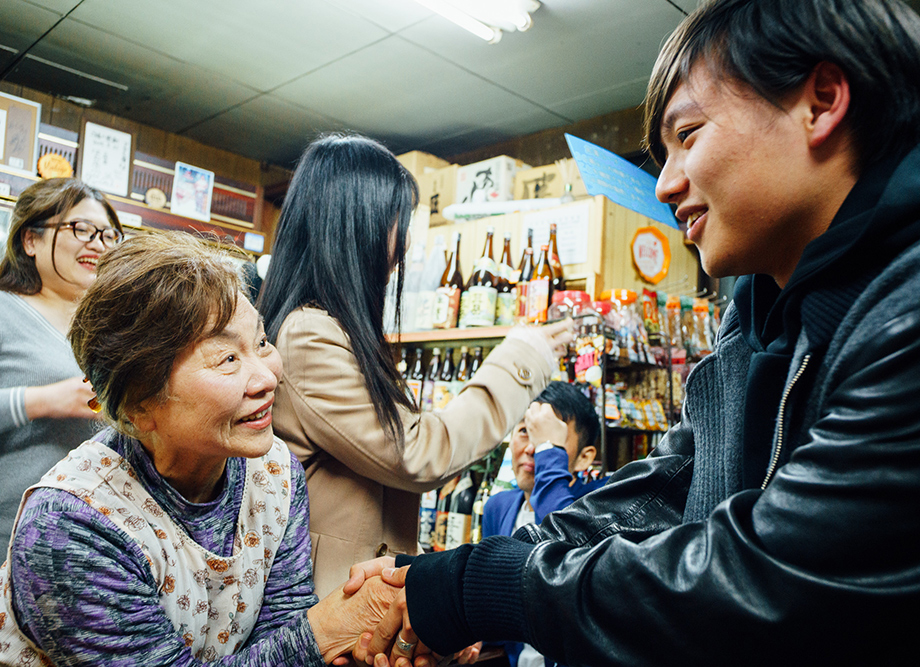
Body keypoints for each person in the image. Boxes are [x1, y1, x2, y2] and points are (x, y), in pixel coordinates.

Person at [355, 1, 920, 665]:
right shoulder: (757, 311)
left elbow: (767, 580)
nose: (665, 185)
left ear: (821, 101)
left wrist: (475, 588)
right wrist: (451, 578)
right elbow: (671, 485)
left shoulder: (904, 309)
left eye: (689, 134)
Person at [0, 231, 411, 667]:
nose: (269, 377)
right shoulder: (72, 524)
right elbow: (298, 644)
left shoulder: (274, 470)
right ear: (139, 407)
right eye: (227, 358)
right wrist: (325, 630)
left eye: (262, 342)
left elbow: (278, 637)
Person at [258, 133, 573, 596]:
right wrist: (520, 360)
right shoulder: (308, 334)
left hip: (350, 600)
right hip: (322, 611)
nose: (401, 246)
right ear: (355, 225)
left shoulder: (333, 329)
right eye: (395, 223)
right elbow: (418, 454)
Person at [0, 178, 122, 662]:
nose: (98, 244)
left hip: (74, 569)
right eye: (81, 229)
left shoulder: (116, 332)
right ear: (30, 240)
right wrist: (41, 400)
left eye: (109, 234)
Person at [480, 381, 605, 667]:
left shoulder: (593, 507)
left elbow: (564, 535)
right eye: (525, 431)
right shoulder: (497, 507)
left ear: (584, 457)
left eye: (549, 437)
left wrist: (550, 450)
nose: (532, 449)